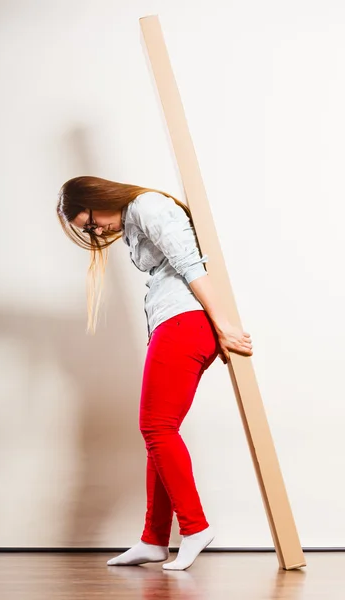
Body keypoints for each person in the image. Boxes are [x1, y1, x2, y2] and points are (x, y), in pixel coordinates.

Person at [57, 176, 253, 570]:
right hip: (175, 322)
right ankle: (154, 538)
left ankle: (195, 528)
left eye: (91, 222)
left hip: (184, 321)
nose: (97, 232)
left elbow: (189, 261)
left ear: (98, 198)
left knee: (157, 429)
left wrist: (223, 323)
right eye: (88, 230)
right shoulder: (134, 219)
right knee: (158, 433)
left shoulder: (147, 206)